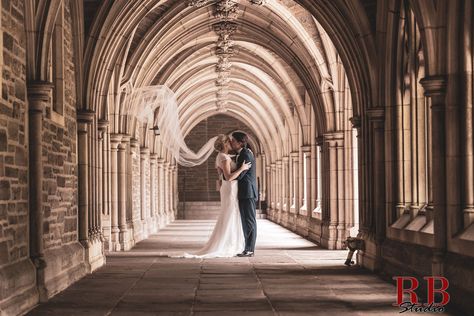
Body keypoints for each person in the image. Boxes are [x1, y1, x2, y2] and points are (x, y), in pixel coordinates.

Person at [181, 134, 251, 258]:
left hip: (228, 188)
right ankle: (227, 244)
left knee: (230, 214)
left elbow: (220, 175)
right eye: (229, 142)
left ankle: (231, 242)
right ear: (225, 144)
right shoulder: (223, 157)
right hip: (230, 188)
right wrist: (242, 168)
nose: (231, 143)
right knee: (229, 214)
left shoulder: (222, 156)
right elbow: (228, 177)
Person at [230, 131, 258, 257]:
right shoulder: (241, 153)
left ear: (240, 142)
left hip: (248, 192)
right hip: (244, 192)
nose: (231, 142)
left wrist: (228, 173)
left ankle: (250, 249)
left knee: (249, 221)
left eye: (233, 141)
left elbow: (241, 175)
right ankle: (247, 248)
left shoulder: (245, 154)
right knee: (245, 221)